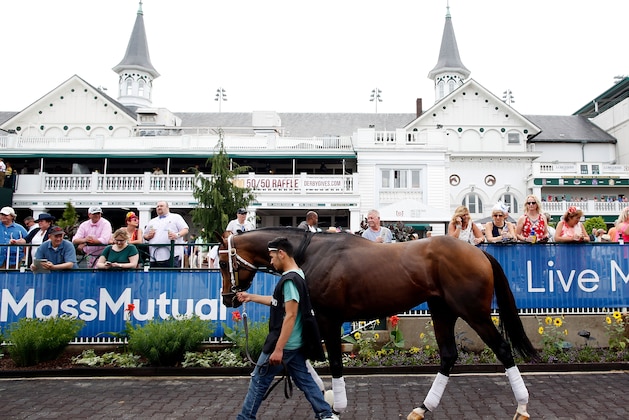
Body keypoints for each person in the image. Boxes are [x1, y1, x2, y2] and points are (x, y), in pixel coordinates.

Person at [235, 237, 336, 420]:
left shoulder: (289, 280)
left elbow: (290, 315)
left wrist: (278, 349)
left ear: (281, 253)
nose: (271, 261)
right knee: (304, 379)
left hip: (284, 344)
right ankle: (325, 414)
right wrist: (251, 297)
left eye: (272, 257)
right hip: (295, 344)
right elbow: (279, 304)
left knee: (258, 380)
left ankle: (245, 417)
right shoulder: (298, 274)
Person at [143, 201, 189, 267]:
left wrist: (176, 235)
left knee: (171, 276)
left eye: (161, 206)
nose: (159, 208)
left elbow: (185, 229)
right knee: (155, 276)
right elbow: (145, 235)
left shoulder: (176, 217)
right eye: (157, 206)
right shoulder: (152, 221)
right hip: (154, 256)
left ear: (167, 207)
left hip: (171, 254)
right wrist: (148, 236)